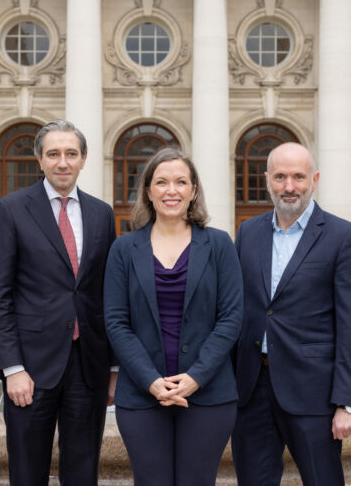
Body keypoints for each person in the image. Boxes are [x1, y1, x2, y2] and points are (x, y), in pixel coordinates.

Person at [0, 120, 117, 485]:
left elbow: (108, 295)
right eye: (54, 154)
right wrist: (11, 368)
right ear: (39, 160)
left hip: (88, 368)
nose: (63, 162)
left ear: (84, 159)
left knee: (82, 474)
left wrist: (113, 369)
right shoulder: (11, 209)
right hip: (31, 370)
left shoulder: (101, 214)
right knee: (28, 474)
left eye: (71, 154)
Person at [231, 142, 351, 485]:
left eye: (297, 176)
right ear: (267, 180)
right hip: (252, 389)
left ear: (315, 179)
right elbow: (240, 309)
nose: (289, 186)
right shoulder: (248, 232)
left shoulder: (344, 237)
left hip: (314, 393)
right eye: (280, 177)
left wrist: (348, 402)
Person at [104, 147, 243, 486]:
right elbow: (116, 322)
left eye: (181, 182)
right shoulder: (124, 248)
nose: (171, 190)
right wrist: (150, 381)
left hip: (208, 395)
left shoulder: (219, 244)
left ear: (193, 190)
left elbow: (231, 317)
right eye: (162, 182)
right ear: (149, 191)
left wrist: (196, 377)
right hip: (141, 396)